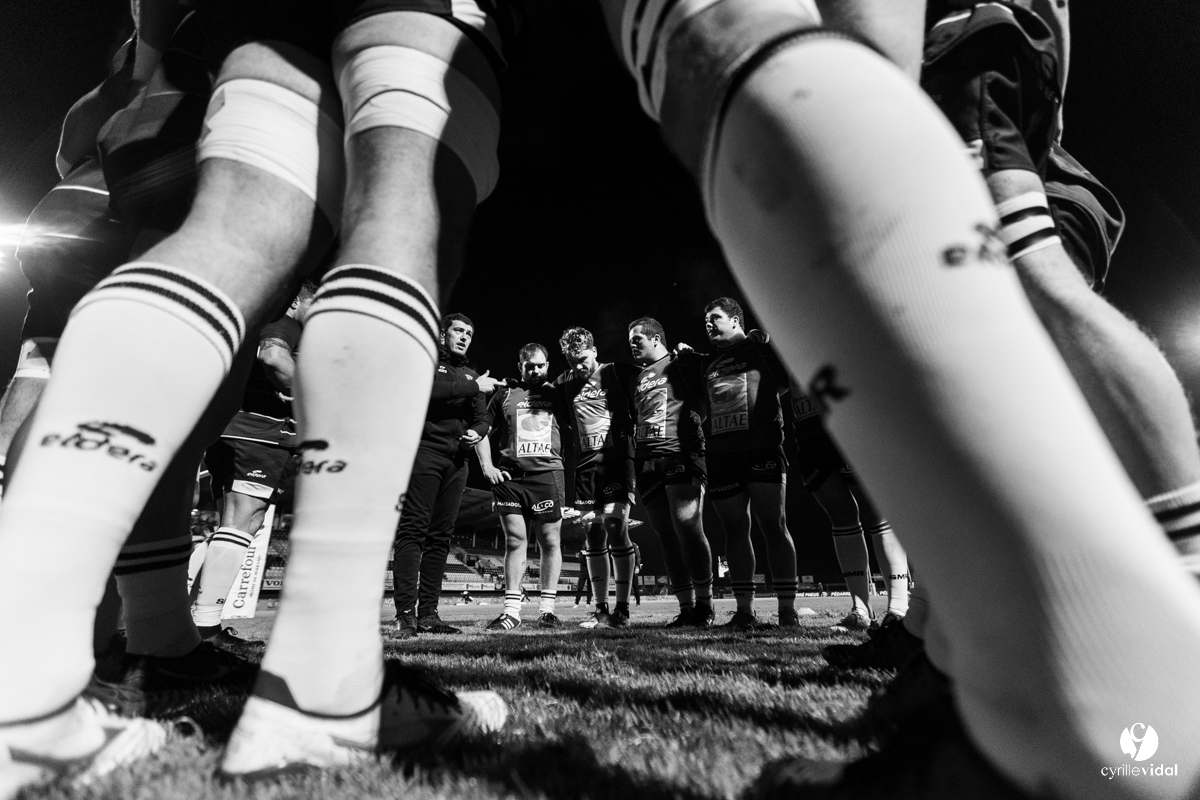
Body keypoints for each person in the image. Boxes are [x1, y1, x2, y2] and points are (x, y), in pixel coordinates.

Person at [600, 0, 1200, 797]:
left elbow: (863, 66)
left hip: (959, 52)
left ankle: (1067, 698)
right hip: (980, 53)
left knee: (729, 53)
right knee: (1029, 291)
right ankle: (988, 665)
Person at [0, 0, 515, 789]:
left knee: (227, 239)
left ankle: (22, 688)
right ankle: (325, 692)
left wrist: (148, 63)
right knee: (404, 217)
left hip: (248, 15)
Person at [193, 287, 313, 653]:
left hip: (237, 428)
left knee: (239, 522)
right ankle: (204, 628)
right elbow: (274, 356)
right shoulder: (284, 323)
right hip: (256, 431)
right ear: (295, 300)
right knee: (243, 520)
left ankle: (194, 619)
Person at [390, 312, 502, 638]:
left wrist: (476, 433)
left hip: (458, 462)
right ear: (443, 335)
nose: (465, 336)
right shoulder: (428, 363)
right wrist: (471, 386)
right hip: (425, 453)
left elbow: (482, 419)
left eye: (469, 332)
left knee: (441, 537)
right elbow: (423, 392)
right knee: (413, 531)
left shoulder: (473, 375)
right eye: (458, 330)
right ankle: (404, 616)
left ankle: (429, 614)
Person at [699, 298, 801, 629]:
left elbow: (785, 383)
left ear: (736, 320)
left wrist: (767, 344)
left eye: (715, 318)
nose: (709, 325)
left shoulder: (759, 346)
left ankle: (787, 611)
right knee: (734, 530)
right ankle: (745, 611)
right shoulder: (708, 363)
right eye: (706, 321)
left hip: (762, 449)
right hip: (721, 455)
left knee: (773, 524)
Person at [787, 385, 909, 633]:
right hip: (810, 433)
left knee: (877, 512)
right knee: (841, 517)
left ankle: (898, 609)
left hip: (849, 419)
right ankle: (861, 610)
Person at [627, 318, 715, 627]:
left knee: (687, 525)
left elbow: (709, 395)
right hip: (646, 461)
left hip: (682, 451)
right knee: (665, 534)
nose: (632, 344)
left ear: (656, 338)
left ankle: (705, 605)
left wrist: (692, 424)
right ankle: (686, 607)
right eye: (630, 340)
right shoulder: (635, 380)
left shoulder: (681, 362)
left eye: (637, 338)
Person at [477, 343, 569, 630]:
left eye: (541, 365)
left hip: (547, 476)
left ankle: (547, 609)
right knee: (515, 541)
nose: (536, 370)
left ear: (548, 365)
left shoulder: (558, 393)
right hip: (510, 479)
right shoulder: (505, 393)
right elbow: (482, 430)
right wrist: (487, 467)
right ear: (520, 367)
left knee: (550, 541)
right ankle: (512, 613)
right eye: (530, 366)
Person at [555, 327, 640, 628]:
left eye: (581, 358)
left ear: (594, 350)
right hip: (585, 469)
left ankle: (623, 609)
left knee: (617, 527)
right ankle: (601, 609)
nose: (577, 366)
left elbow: (657, 377)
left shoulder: (618, 372)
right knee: (593, 535)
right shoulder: (564, 384)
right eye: (570, 361)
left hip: (618, 462)